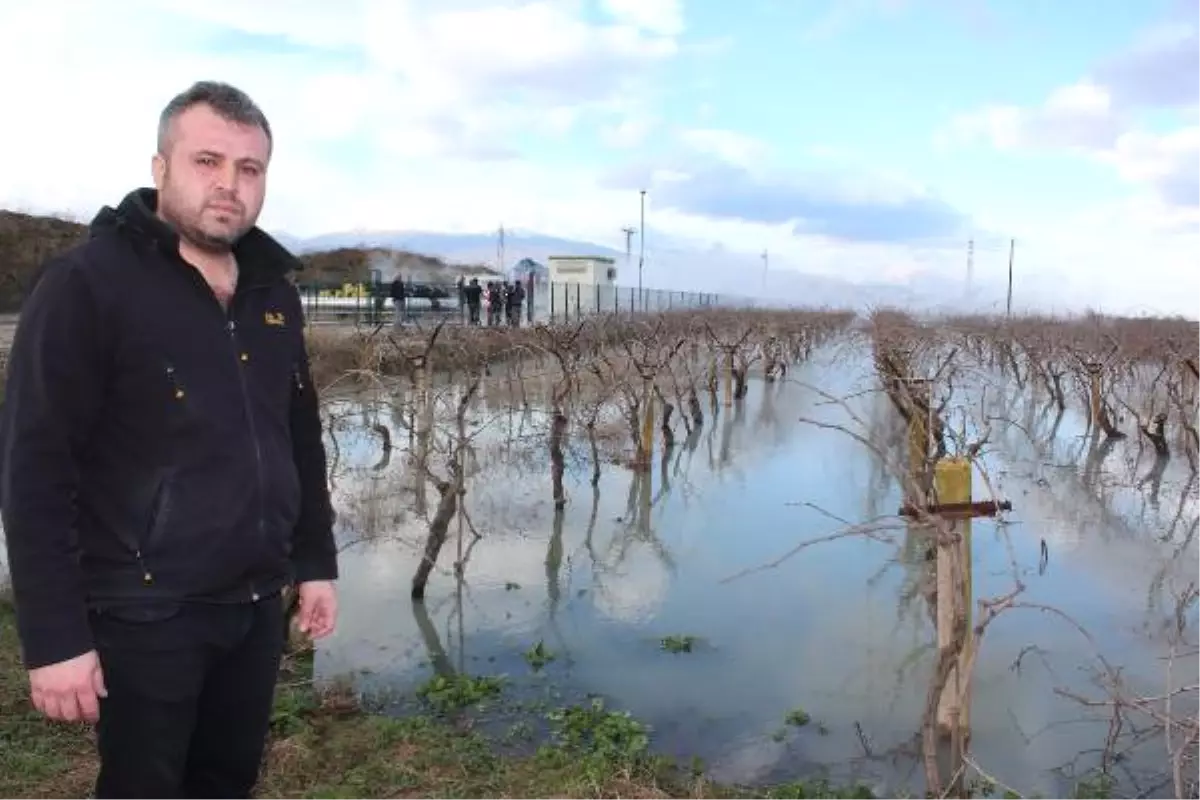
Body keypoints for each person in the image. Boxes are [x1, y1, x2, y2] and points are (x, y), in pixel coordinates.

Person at [0, 81, 340, 799]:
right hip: (143, 611)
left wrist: (313, 560)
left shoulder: (271, 292)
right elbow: (33, 471)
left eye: (249, 169)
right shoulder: (86, 285)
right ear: (161, 168)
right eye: (207, 161)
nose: (229, 186)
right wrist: (56, 638)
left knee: (226, 780)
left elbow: (297, 435)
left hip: (253, 603)